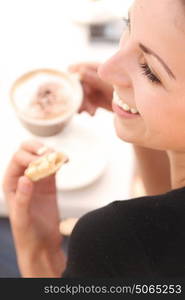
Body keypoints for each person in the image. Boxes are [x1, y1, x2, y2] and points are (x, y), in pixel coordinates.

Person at [3, 0, 185, 277]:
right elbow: (165, 209)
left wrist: (38, 253)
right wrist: (135, 111)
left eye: (149, 70)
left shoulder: (114, 239)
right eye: (129, 25)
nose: (106, 70)